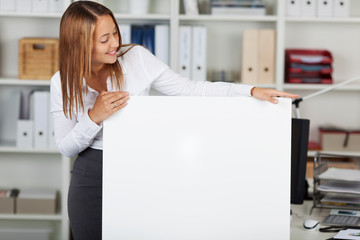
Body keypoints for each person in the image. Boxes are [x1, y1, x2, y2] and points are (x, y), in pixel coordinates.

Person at [50, 1, 299, 239]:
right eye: (104, 39)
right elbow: (65, 146)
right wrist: (94, 117)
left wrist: (249, 91)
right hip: (91, 176)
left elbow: (191, 90)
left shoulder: (136, 58)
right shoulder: (62, 82)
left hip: (141, 169)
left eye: (115, 33)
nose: (115, 43)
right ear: (80, 44)